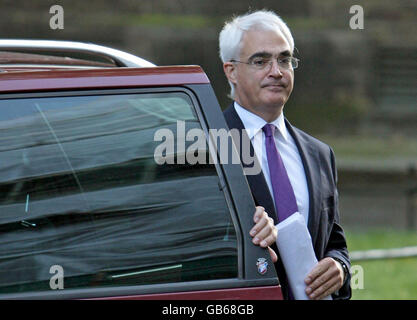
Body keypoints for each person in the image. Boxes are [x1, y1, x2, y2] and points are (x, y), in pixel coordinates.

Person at [219, 10, 351, 300]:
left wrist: (339, 267)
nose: (276, 71)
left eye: (284, 59)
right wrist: (238, 229)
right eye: (260, 61)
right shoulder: (208, 148)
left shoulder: (319, 154)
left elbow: (334, 241)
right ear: (231, 71)